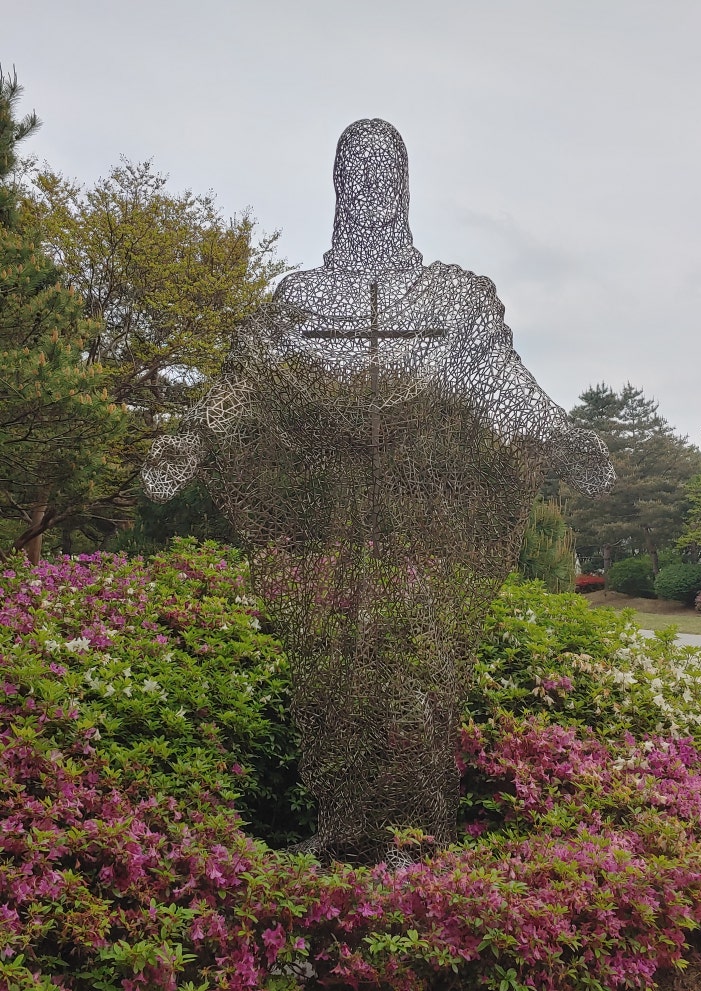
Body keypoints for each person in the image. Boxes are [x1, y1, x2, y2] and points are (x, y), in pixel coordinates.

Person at [142, 119, 614, 861]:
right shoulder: (299, 299)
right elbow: (242, 382)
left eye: (381, 174)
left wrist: (561, 433)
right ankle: (341, 829)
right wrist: (189, 437)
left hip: (422, 518)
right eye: (353, 175)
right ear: (336, 188)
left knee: (415, 667)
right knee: (332, 675)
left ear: (402, 185)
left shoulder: (449, 298)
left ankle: (416, 839)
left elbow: (500, 382)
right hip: (333, 518)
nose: (367, 191)